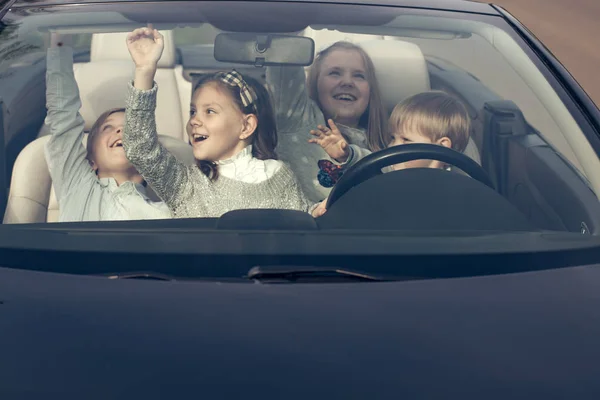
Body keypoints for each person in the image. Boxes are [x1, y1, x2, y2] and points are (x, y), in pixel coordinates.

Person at [122, 26, 314, 218]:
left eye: (210, 111)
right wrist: (144, 71)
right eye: (193, 111)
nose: (194, 120)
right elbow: (140, 148)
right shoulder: (186, 184)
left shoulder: (280, 175)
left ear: (246, 126)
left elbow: (303, 221)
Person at [44, 33, 171, 222]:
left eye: (129, 129)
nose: (120, 131)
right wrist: (60, 40)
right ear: (91, 161)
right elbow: (62, 117)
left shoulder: (166, 215)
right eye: (108, 128)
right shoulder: (76, 186)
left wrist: (145, 70)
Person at [310, 90, 471, 216]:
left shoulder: (460, 194)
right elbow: (368, 163)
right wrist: (348, 155)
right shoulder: (385, 177)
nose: (393, 147)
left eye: (406, 140)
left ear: (441, 147)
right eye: (393, 138)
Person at [266, 41, 387, 203]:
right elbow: (284, 58)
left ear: (371, 90)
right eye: (335, 73)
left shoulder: (387, 139)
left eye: (359, 75)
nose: (347, 82)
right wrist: (291, 27)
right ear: (315, 83)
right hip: (301, 226)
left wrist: (350, 156)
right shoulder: (298, 118)